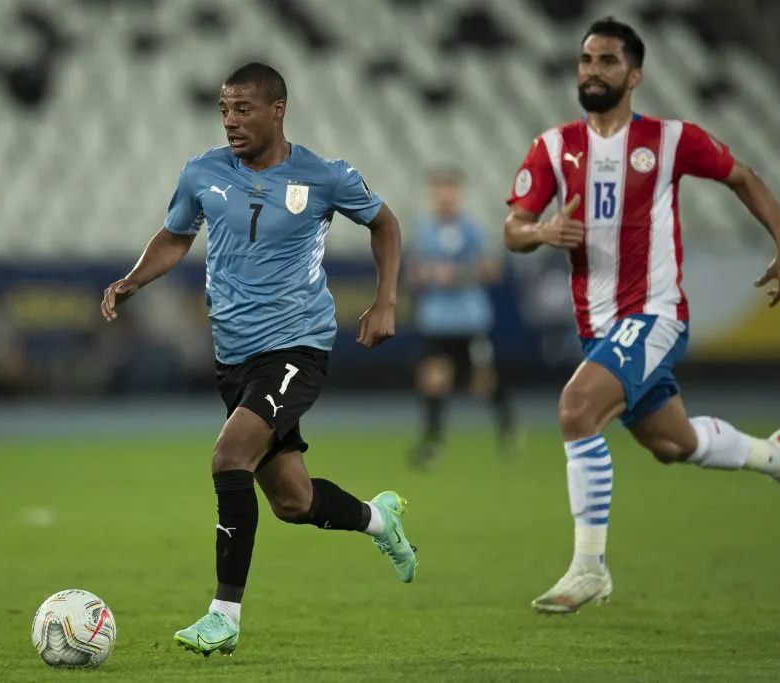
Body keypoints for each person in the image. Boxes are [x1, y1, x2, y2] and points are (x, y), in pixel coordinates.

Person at [502, 17, 780, 614]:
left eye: (608, 61)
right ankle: (779, 456)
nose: (593, 70)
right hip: (598, 327)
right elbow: (512, 228)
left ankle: (589, 568)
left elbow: (742, 176)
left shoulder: (670, 140)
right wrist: (541, 230)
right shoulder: (553, 146)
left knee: (576, 408)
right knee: (676, 443)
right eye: (586, 59)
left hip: (656, 313)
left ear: (635, 75)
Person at [100, 62, 416, 656]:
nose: (230, 121)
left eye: (243, 109)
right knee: (292, 501)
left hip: (297, 345)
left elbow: (385, 223)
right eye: (223, 110)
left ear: (278, 110)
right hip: (235, 356)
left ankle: (224, 616)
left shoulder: (324, 175)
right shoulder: (203, 172)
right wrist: (132, 280)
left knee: (229, 456)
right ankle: (380, 520)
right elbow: (175, 236)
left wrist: (384, 301)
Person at [407, 168, 515, 467]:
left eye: (450, 191)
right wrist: (431, 273)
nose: (445, 197)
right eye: (440, 191)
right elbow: (413, 272)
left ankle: (508, 430)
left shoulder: (472, 229)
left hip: (470, 320)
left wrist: (460, 274)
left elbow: (494, 270)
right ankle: (432, 441)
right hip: (437, 320)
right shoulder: (425, 230)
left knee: (484, 382)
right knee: (433, 380)